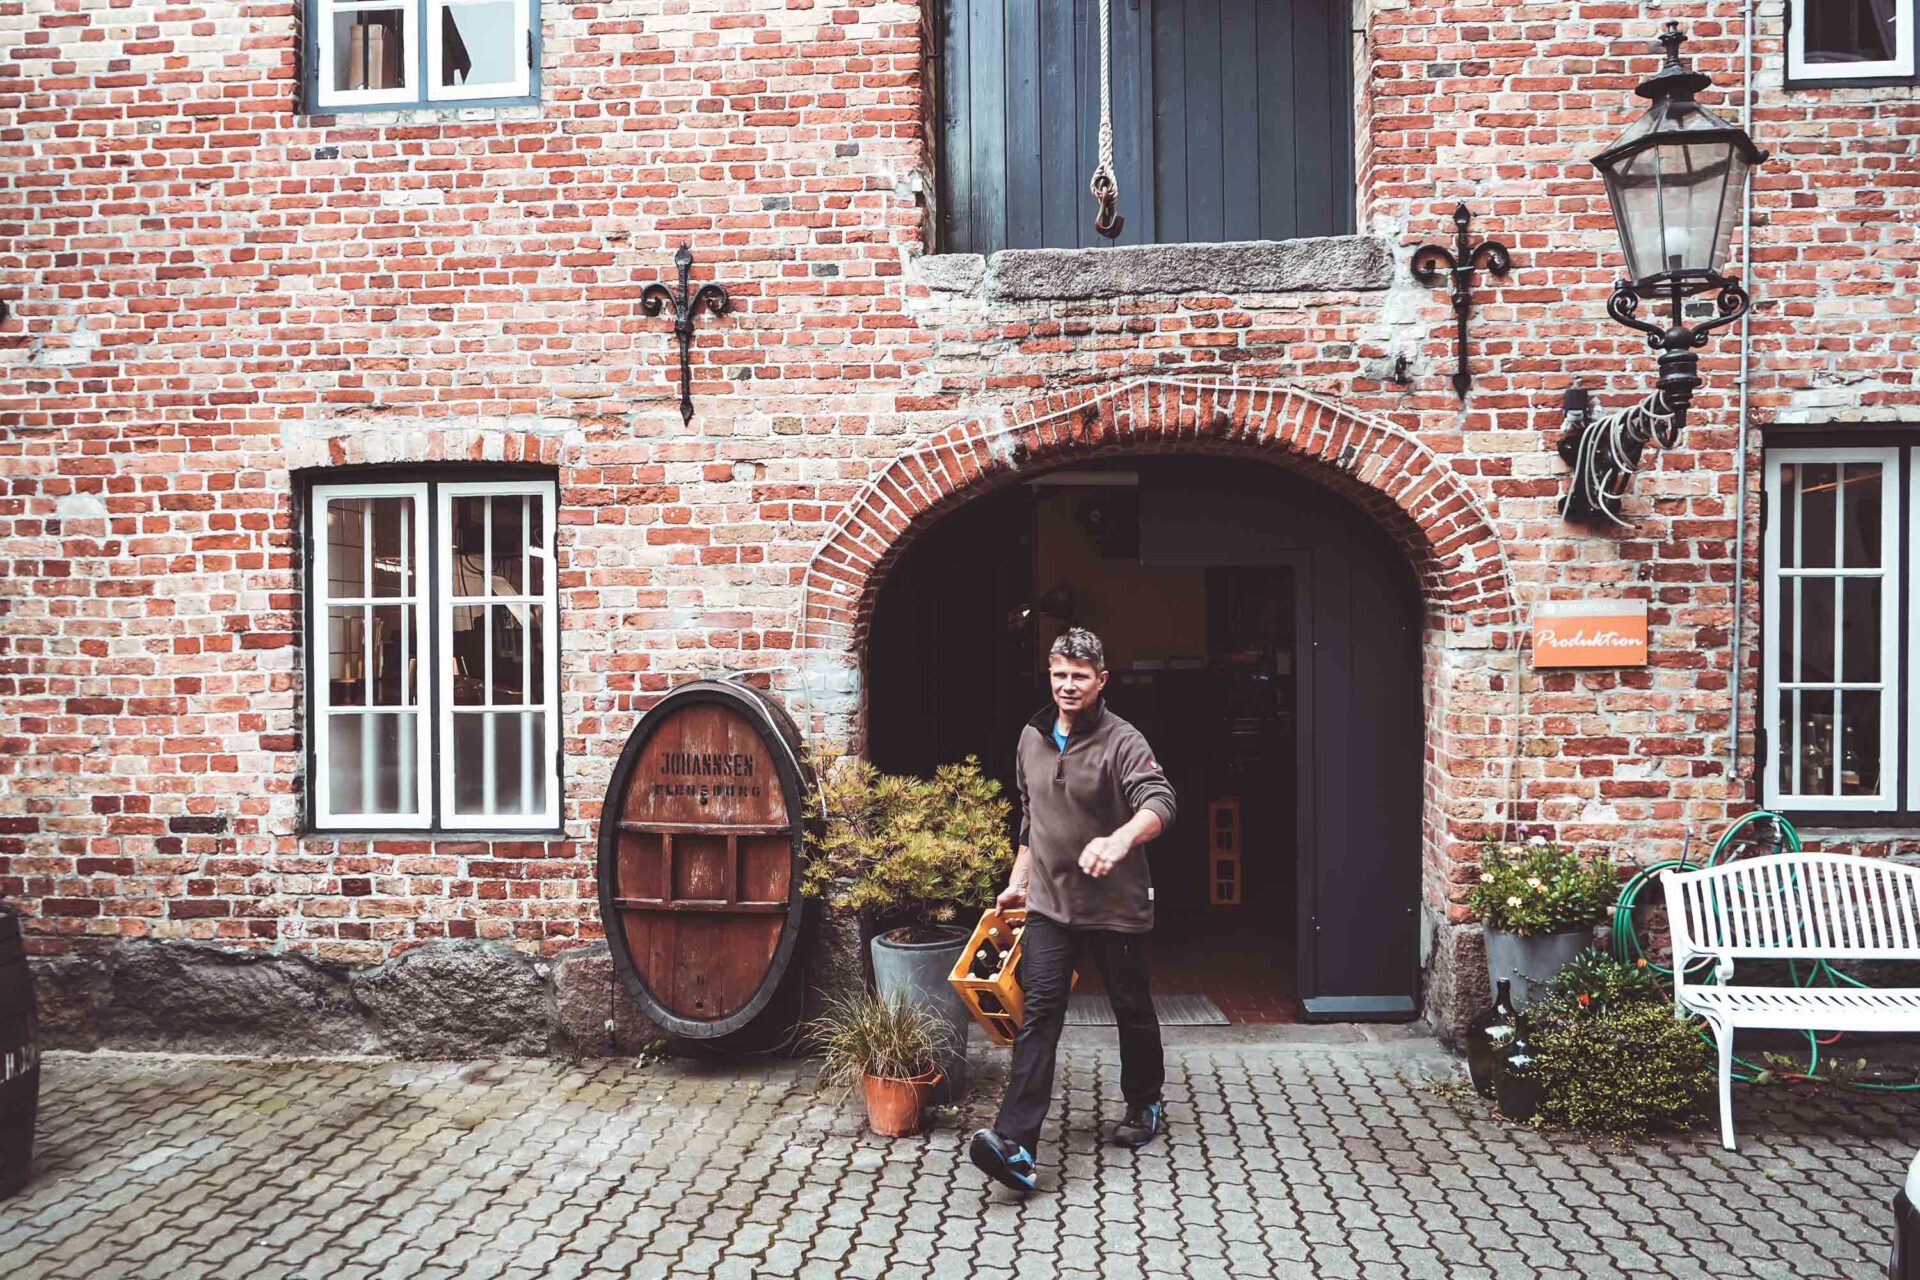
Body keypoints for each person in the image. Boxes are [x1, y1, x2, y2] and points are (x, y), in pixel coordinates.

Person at [969, 627, 1177, 1192]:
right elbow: (1030, 819)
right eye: (1059, 674)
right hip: (1049, 906)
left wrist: (1121, 840)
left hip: (1115, 906)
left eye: (1079, 677)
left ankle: (1144, 1102)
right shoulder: (1031, 737)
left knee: (1130, 1007)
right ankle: (1017, 1146)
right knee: (1038, 1016)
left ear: (1101, 680)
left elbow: (1161, 802)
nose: (1067, 685)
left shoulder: (1122, 741)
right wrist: (1017, 882)